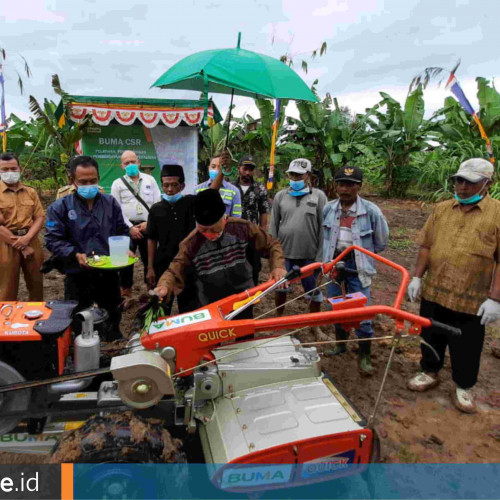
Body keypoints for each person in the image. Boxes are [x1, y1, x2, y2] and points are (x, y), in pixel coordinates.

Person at [406, 158, 500, 413]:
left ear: (487, 184)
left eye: (469, 182)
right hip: (435, 289)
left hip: (471, 297)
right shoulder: (442, 209)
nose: (461, 187)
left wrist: (495, 299)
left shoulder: (497, 213)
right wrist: (417, 276)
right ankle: (430, 371)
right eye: (458, 180)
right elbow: (426, 245)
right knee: (431, 334)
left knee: (467, 343)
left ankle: (464, 385)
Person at [154, 189, 286, 317]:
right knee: (213, 337)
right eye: (204, 230)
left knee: (244, 335)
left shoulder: (242, 228)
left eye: (215, 230)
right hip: (211, 302)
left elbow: (271, 244)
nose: (210, 235)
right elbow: (175, 269)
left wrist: (278, 266)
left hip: (243, 296)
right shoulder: (191, 244)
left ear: (224, 218)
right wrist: (164, 285)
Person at [45, 155, 130, 340]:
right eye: (83, 181)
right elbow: (52, 239)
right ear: (72, 181)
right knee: (76, 317)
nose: (89, 185)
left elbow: (122, 230)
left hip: (107, 273)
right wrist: (74, 254)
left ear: (99, 177)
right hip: (77, 274)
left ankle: (113, 341)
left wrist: (125, 247)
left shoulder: (110, 203)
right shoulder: (60, 207)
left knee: (113, 312)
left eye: (93, 180)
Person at [322, 165, 389, 375]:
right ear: (336, 186)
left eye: (350, 185)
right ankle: (340, 345)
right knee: (338, 307)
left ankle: (365, 355)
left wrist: (361, 256)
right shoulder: (329, 209)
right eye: (341, 184)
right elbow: (323, 238)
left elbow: (381, 241)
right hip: (334, 263)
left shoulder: (370, 211)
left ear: (359, 187)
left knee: (362, 311)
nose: (345, 189)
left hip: (358, 265)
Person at [270, 158, 328, 340]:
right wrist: (274, 256)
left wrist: (321, 257)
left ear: (308, 176)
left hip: (310, 255)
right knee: (281, 290)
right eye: (292, 174)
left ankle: (314, 326)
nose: (294, 178)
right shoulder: (280, 196)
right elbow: (273, 227)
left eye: (299, 175)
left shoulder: (318, 197)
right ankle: (277, 321)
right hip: (285, 254)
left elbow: (324, 228)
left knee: (313, 292)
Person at [146, 163, 200, 315]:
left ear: (182, 186)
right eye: (166, 185)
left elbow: (212, 192)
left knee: (189, 305)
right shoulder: (156, 209)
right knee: (162, 305)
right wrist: (150, 267)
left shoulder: (190, 203)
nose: (169, 190)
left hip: (187, 262)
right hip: (163, 264)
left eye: (174, 185)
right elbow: (151, 239)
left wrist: (222, 172)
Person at [111, 150, 161, 306]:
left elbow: (157, 202)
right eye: (127, 163)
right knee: (124, 262)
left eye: (133, 161)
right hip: (126, 228)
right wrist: (130, 227)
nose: (131, 165)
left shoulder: (150, 180)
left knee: (150, 260)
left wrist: (149, 223)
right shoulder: (117, 183)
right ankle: (125, 295)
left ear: (139, 162)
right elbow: (116, 209)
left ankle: (150, 293)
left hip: (148, 225)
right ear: (122, 166)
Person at [0, 152, 45, 301]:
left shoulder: (30, 192)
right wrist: (21, 245)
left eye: (13, 168)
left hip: (31, 239)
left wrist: (27, 239)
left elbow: (39, 217)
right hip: (6, 243)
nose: (9, 172)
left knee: (36, 283)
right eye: (4, 170)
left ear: (19, 168)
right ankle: (5, 320)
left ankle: (37, 319)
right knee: (7, 287)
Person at [233, 154, 271, 285]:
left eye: (250, 169)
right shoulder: (231, 187)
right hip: (233, 235)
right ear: (239, 169)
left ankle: (253, 294)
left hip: (252, 234)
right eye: (245, 169)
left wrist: (263, 233)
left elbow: (264, 211)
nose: (248, 172)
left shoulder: (260, 189)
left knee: (254, 266)